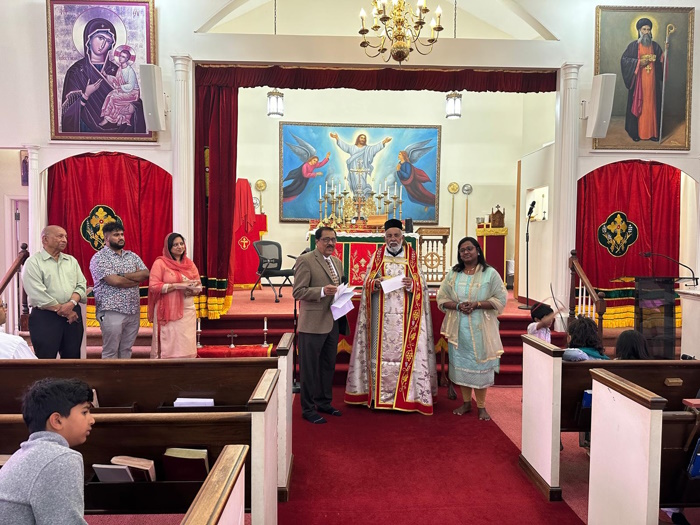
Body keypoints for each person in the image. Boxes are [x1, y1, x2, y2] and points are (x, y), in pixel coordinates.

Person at [345, 219, 437, 415]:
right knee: (378, 356)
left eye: (396, 235)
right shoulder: (377, 256)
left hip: (406, 319)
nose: (393, 239)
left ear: (402, 237)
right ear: (384, 237)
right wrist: (375, 283)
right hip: (379, 319)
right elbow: (366, 283)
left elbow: (422, 286)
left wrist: (413, 285)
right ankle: (375, 396)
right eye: (389, 236)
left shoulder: (412, 257)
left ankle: (409, 397)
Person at [0, 378, 94, 524]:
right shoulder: (60, 458)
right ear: (57, 420)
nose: (92, 420)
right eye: (85, 412)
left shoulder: (21, 455)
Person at [437, 236, 506, 421]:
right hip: (459, 328)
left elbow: (501, 299)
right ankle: (467, 403)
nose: (466, 252)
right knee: (462, 365)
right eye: (462, 250)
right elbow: (441, 298)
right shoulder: (454, 273)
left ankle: (481, 406)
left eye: (469, 249)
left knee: (480, 364)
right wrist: (458, 306)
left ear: (478, 250)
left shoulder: (490, 273)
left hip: (481, 326)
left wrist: (477, 304)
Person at [293, 227, 344, 424]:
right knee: (309, 369)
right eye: (326, 240)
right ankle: (307, 409)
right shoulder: (306, 260)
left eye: (333, 239)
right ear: (317, 241)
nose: (331, 243)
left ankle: (323, 402)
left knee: (327, 366)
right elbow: (298, 291)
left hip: (332, 321)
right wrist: (322, 291)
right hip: (313, 323)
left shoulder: (337, 262)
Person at [61, 17, 145, 134]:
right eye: (100, 38)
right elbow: (67, 114)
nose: (103, 44)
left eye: (108, 41)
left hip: (119, 131)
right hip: (85, 130)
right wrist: (86, 95)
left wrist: (132, 108)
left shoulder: (117, 69)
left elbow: (133, 96)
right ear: (89, 39)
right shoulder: (76, 72)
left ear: (111, 45)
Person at [22, 225, 87, 359]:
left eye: (65, 237)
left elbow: (81, 285)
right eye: (60, 236)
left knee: (72, 359)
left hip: (73, 315)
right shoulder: (33, 262)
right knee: (46, 359)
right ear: (45, 239)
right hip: (45, 317)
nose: (64, 240)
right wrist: (64, 310)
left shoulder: (71, 261)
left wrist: (71, 303)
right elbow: (37, 293)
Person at [89, 221, 149, 359]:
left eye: (122, 234)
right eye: (116, 235)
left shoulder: (132, 256)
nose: (121, 237)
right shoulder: (99, 258)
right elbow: (115, 281)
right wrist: (135, 280)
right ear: (106, 238)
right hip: (111, 309)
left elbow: (146, 274)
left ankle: (123, 374)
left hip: (133, 310)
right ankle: (110, 374)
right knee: (111, 350)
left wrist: (121, 275)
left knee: (126, 349)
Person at [147, 233, 202, 359]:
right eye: (175, 245)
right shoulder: (160, 263)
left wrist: (192, 290)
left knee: (185, 343)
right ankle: (168, 365)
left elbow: (198, 285)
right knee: (171, 343)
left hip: (187, 309)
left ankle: (186, 366)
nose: (179, 247)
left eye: (181, 244)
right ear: (169, 247)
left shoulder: (189, 264)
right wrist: (176, 286)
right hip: (168, 310)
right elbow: (153, 286)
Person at [620, 17, 664, 142]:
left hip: (652, 85)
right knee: (640, 106)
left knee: (652, 107)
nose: (646, 32)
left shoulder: (655, 46)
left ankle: (653, 133)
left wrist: (665, 55)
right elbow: (624, 61)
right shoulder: (633, 46)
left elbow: (661, 62)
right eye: (644, 29)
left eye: (648, 29)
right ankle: (636, 133)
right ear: (639, 30)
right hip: (638, 85)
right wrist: (638, 63)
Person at [330, 132, 392, 197]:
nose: (363, 139)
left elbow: (375, 148)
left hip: (363, 169)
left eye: (364, 138)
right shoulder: (352, 148)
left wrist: (384, 142)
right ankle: (356, 198)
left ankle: (362, 197)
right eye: (361, 138)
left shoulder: (368, 149)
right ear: (358, 139)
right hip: (354, 169)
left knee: (362, 183)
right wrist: (337, 138)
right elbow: (345, 146)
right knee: (354, 183)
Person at [99, 46, 140, 127]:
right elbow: (117, 80)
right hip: (124, 90)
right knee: (110, 95)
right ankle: (118, 117)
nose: (120, 58)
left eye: (123, 57)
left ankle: (107, 119)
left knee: (113, 97)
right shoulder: (120, 68)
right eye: (120, 56)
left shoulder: (130, 71)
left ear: (127, 59)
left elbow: (131, 86)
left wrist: (120, 87)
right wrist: (106, 75)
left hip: (133, 93)